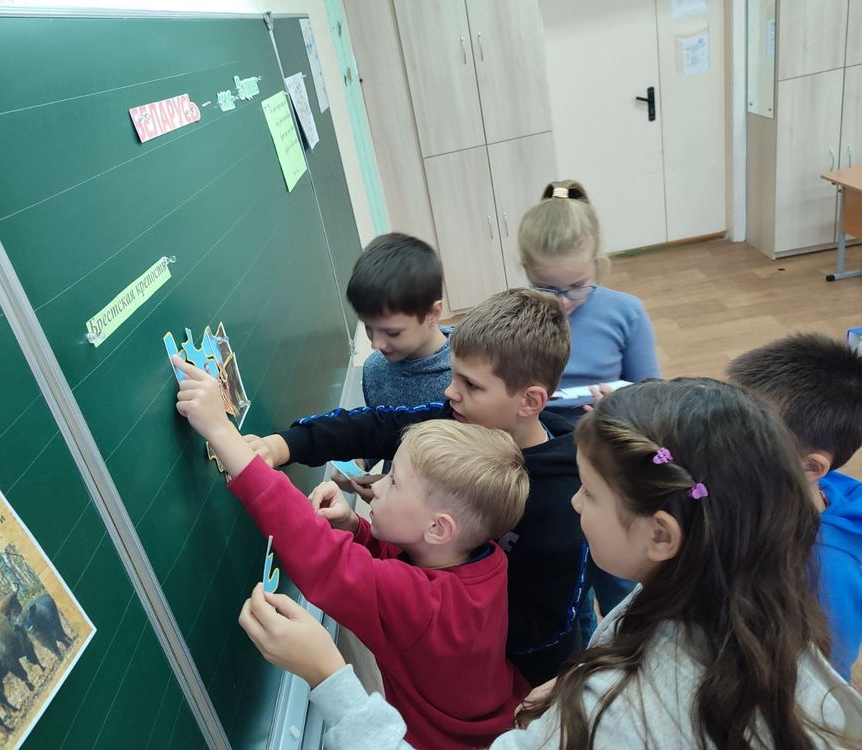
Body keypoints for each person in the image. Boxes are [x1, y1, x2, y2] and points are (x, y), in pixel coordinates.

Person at [238, 379, 862, 749]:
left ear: (661, 534)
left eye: (589, 492)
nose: (572, 503)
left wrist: (329, 678)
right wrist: (571, 687)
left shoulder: (621, 712)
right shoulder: (729, 599)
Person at [173, 355, 530, 749]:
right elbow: (417, 570)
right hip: (499, 716)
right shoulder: (487, 558)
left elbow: (322, 557)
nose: (376, 486)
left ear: (438, 527)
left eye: (394, 482)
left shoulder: (424, 605)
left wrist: (221, 432)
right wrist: (359, 531)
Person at [243, 288, 592, 686]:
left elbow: (548, 627)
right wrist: (284, 445)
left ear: (529, 402)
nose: (450, 392)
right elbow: (374, 426)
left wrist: (439, 621)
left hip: (518, 685)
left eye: (471, 384)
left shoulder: (567, 504)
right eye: (454, 375)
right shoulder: (457, 420)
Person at [518, 179, 660, 639]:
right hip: (547, 469)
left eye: (577, 287)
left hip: (610, 467)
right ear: (525, 271)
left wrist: (621, 406)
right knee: (565, 586)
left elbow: (653, 395)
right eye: (546, 288)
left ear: (598, 262)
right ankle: (577, 657)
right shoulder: (519, 317)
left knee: (621, 579)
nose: (563, 302)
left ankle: (628, 648)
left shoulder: (626, 312)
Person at [728, 332, 862, 682]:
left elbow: (825, 676)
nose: (720, 438)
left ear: (810, 466)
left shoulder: (828, 565)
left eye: (744, 433)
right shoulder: (768, 483)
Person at [348, 233, 453, 410]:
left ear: (432, 313)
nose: (376, 344)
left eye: (392, 332)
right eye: (368, 327)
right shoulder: (373, 371)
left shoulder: (468, 376)